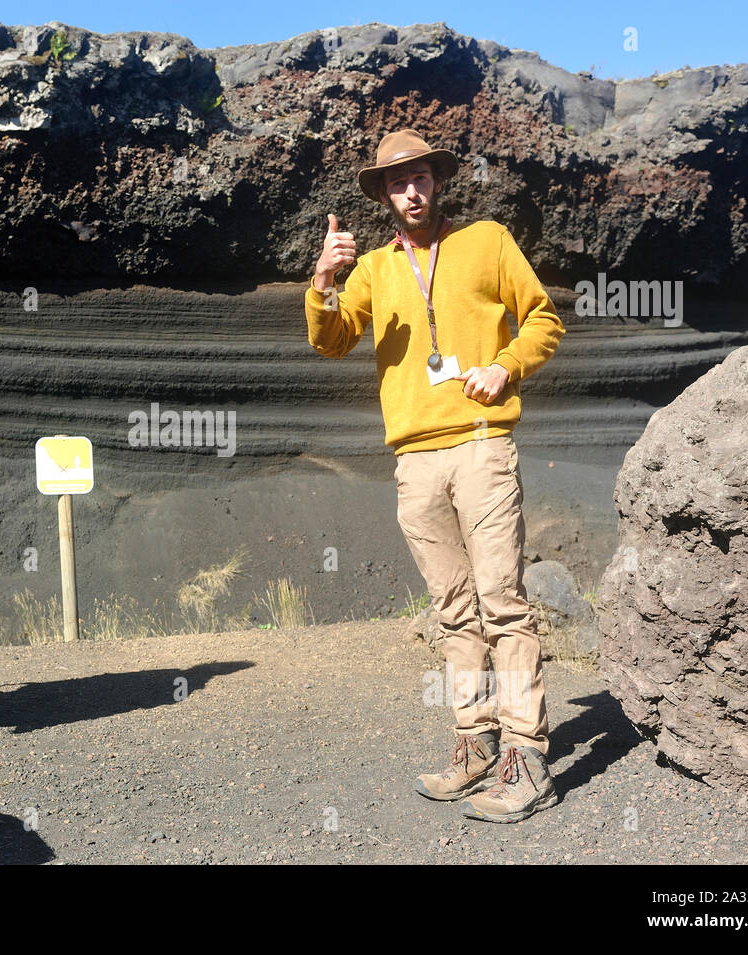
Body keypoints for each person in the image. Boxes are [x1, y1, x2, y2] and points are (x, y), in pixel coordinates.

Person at [304, 129, 566, 822]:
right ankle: (476, 742)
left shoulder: (487, 240)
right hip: (414, 459)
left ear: (437, 181)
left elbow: (544, 319)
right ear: (384, 195)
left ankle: (527, 756)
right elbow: (331, 342)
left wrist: (504, 365)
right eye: (397, 183)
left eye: (420, 177)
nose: (411, 191)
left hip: (482, 443)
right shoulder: (373, 270)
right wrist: (324, 280)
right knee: (454, 610)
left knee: (502, 600)